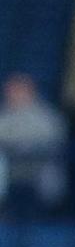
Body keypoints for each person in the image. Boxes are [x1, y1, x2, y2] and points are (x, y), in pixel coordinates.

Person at [0, 73, 67, 214]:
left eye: (16, 90)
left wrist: (22, 149)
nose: (11, 94)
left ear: (29, 90)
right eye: (9, 90)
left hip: (39, 177)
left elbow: (52, 143)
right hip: (11, 176)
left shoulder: (47, 117)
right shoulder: (4, 116)